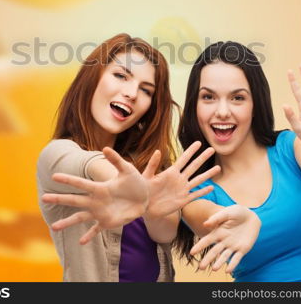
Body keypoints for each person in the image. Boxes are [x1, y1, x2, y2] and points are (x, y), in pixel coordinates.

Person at [37, 33, 220, 282]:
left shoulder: (149, 166)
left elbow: (164, 234)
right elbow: (90, 165)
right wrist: (135, 189)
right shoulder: (57, 154)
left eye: (146, 90)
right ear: (92, 78)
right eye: (121, 76)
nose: (132, 93)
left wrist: (150, 204)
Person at [175, 41, 301, 282]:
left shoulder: (287, 148)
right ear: (195, 106)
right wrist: (236, 221)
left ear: (255, 104)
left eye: (237, 98)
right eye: (208, 97)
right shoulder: (194, 188)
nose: (222, 111)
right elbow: (209, 219)